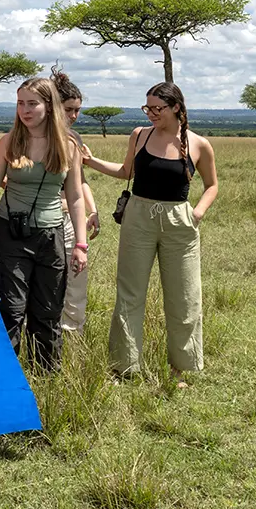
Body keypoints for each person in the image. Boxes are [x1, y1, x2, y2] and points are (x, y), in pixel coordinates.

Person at [82, 82, 218, 387]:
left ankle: (180, 370)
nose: (152, 114)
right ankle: (124, 368)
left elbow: (212, 185)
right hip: (138, 217)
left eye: (158, 108)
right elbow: (124, 171)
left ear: (177, 109)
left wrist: (197, 213)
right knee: (129, 293)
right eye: (148, 108)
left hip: (180, 223)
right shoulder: (139, 135)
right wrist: (90, 161)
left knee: (184, 297)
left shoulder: (198, 144)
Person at [0, 77, 89, 372]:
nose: (25, 110)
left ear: (49, 105)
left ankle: (46, 378)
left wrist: (80, 245)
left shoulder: (68, 146)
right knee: (11, 309)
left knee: (48, 311)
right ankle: (6, 379)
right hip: (9, 234)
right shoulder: (9, 141)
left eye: (32, 103)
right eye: (20, 103)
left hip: (51, 235)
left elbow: (76, 197)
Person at [50, 66, 101, 333]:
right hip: (43, 217)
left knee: (75, 280)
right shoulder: (32, 136)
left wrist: (92, 211)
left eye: (77, 110)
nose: (73, 116)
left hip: (70, 217)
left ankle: (73, 336)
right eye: (68, 109)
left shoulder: (74, 139)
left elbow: (79, 183)